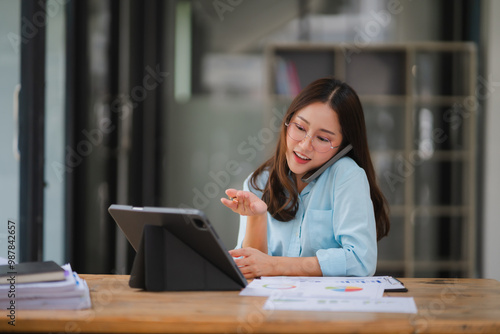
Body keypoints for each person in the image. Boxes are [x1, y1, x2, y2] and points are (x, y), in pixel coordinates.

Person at [220, 77, 390, 278]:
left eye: (323, 138)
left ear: (344, 145)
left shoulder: (346, 175)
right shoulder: (258, 183)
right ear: (287, 122)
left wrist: (277, 266)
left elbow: (362, 262)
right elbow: (249, 270)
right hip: (271, 307)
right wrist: (257, 218)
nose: (304, 146)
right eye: (300, 128)